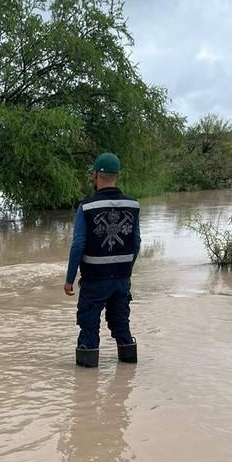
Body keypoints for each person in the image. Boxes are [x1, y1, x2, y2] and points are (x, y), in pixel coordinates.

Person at [63, 153, 141, 367]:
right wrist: (127, 270)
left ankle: (86, 385)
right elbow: (136, 243)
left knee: (89, 327)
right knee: (122, 326)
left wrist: (70, 279)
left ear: (95, 175)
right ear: (118, 175)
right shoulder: (133, 206)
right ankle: (127, 373)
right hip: (121, 279)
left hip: (94, 279)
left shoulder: (87, 207)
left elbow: (78, 245)